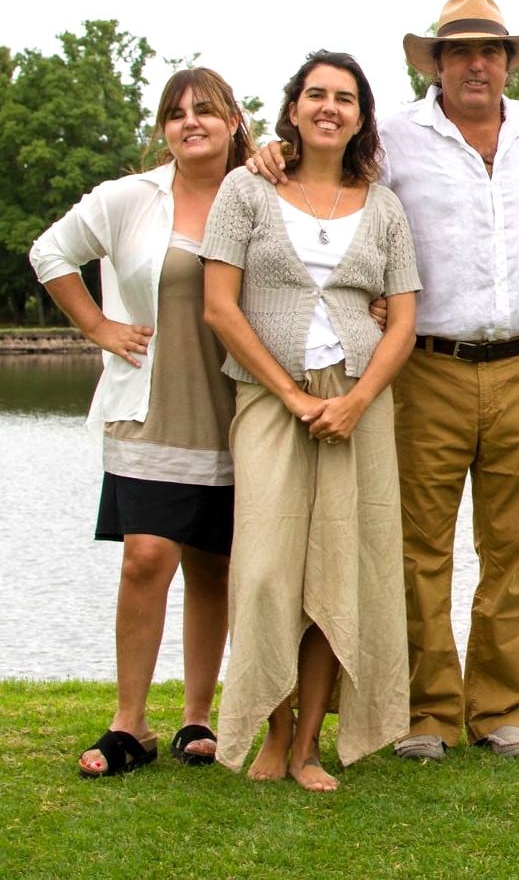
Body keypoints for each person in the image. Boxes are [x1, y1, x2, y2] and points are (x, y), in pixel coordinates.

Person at [251, 0, 519, 762]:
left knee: (514, 546)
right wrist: (271, 150)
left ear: (510, 61)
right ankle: (426, 712)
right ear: (437, 64)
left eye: (491, 51)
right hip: (427, 366)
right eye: (460, 52)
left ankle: (501, 710)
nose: (477, 64)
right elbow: (327, 170)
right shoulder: (393, 136)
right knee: (419, 546)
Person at [202, 50, 420, 791]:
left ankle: (307, 750)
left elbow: (404, 321)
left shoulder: (383, 207)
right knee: (265, 571)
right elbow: (219, 308)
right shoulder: (247, 190)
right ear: (293, 107)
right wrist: (292, 397)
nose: (330, 107)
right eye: (316, 94)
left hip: (359, 404)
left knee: (341, 572)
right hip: (270, 400)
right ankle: (272, 726)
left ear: (361, 117)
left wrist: (356, 401)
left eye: (346, 99)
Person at [31, 68, 255, 777]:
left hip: (237, 412)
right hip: (149, 409)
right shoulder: (130, 199)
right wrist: (98, 325)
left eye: (207, 111)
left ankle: (196, 718)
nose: (192, 122)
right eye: (177, 113)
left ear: (232, 122)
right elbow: (50, 253)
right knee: (146, 559)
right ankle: (129, 724)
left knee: (213, 568)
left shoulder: (257, 197)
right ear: (164, 129)